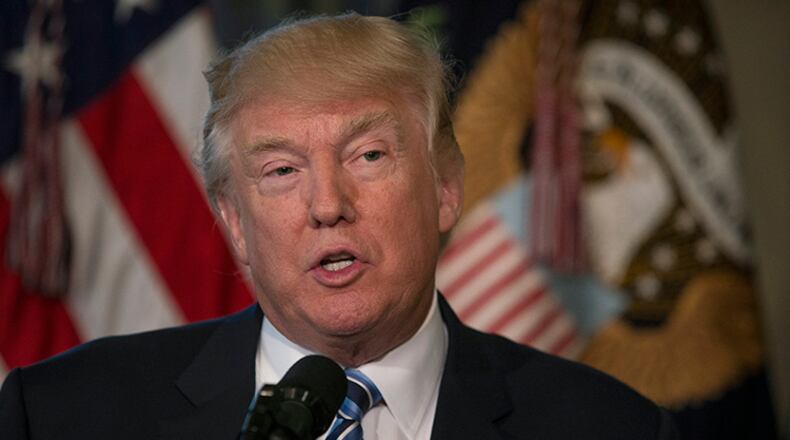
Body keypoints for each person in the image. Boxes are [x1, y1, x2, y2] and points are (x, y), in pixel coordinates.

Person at [0, 13, 678, 439]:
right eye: (281, 170)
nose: (328, 204)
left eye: (369, 156)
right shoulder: (63, 415)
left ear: (445, 189)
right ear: (235, 222)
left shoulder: (610, 427)